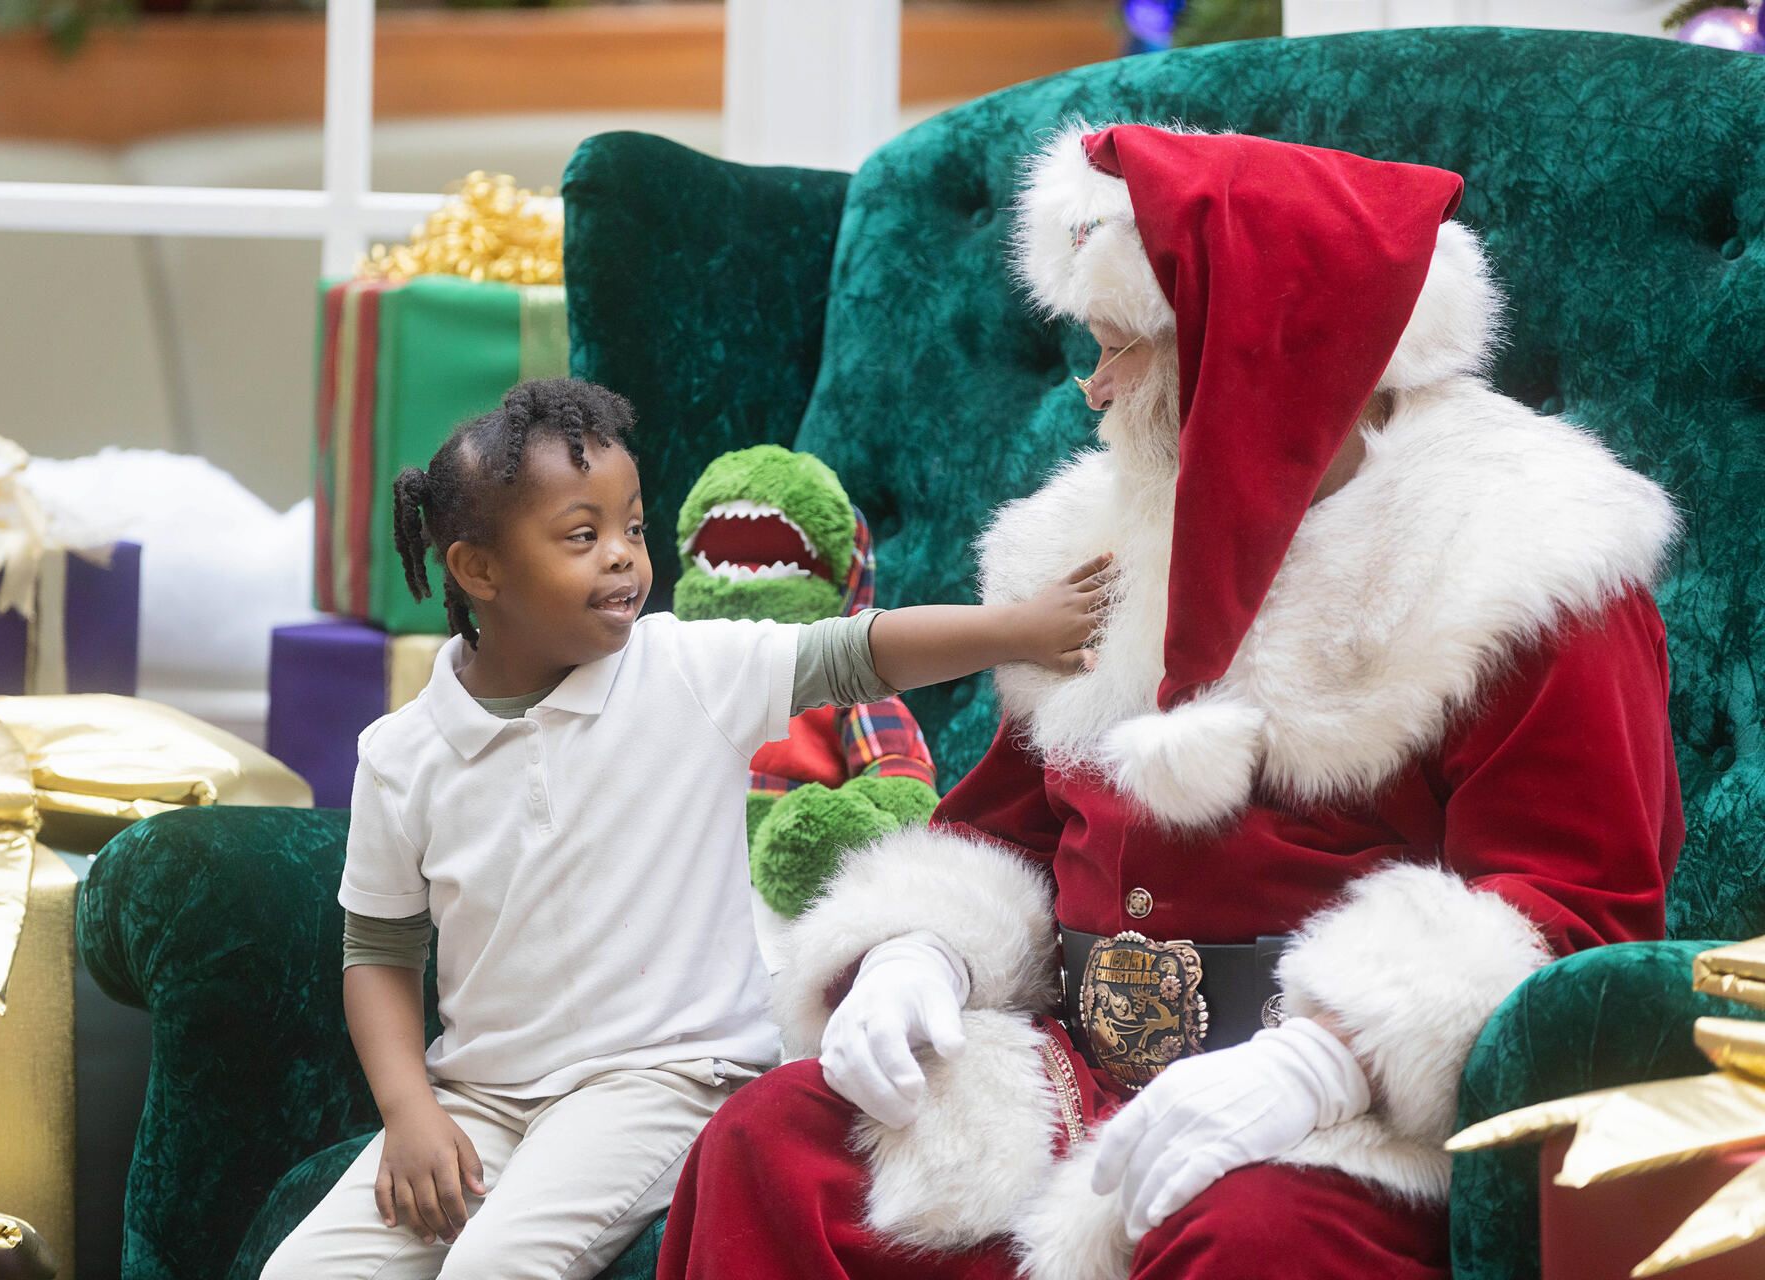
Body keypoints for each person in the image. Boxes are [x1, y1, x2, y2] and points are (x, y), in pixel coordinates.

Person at [654, 123, 1683, 1280]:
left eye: (1115, 350)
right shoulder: (1099, 540)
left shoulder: (1526, 566)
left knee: (1246, 1242)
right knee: (771, 1144)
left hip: (1332, 1115)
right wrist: (919, 953)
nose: (1091, 388)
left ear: (1248, 356)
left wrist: (1322, 1061)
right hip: (1073, 1076)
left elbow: (1574, 912)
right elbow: (1007, 829)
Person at [259, 377, 1112, 1280]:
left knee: (492, 1269)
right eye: (582, 536)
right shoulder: (401, 754)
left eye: (632, 528)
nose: (623, 558)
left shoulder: (687, 669)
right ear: (479, 571)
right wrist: (410, 1112)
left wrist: (1017, 630)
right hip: (482, 1096)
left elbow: (860, 651)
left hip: (662, 1082)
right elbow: (378, 952)